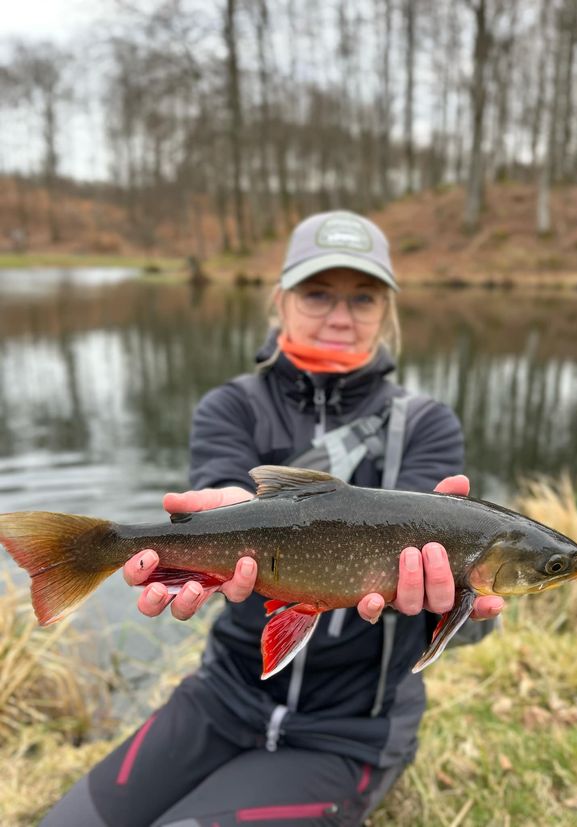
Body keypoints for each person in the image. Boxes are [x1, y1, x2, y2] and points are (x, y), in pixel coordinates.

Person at [41, 211, 504, 827]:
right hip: (222, 696)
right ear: (280, 299)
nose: (340, 315)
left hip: (352, 729)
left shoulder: (426, 424)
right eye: (318, 293)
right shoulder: (230, 407)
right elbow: (223, 492)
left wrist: (459, 612)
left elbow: (442, 580)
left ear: (387, 311)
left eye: (363, 297)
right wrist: (214, 520)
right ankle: (78, 555)